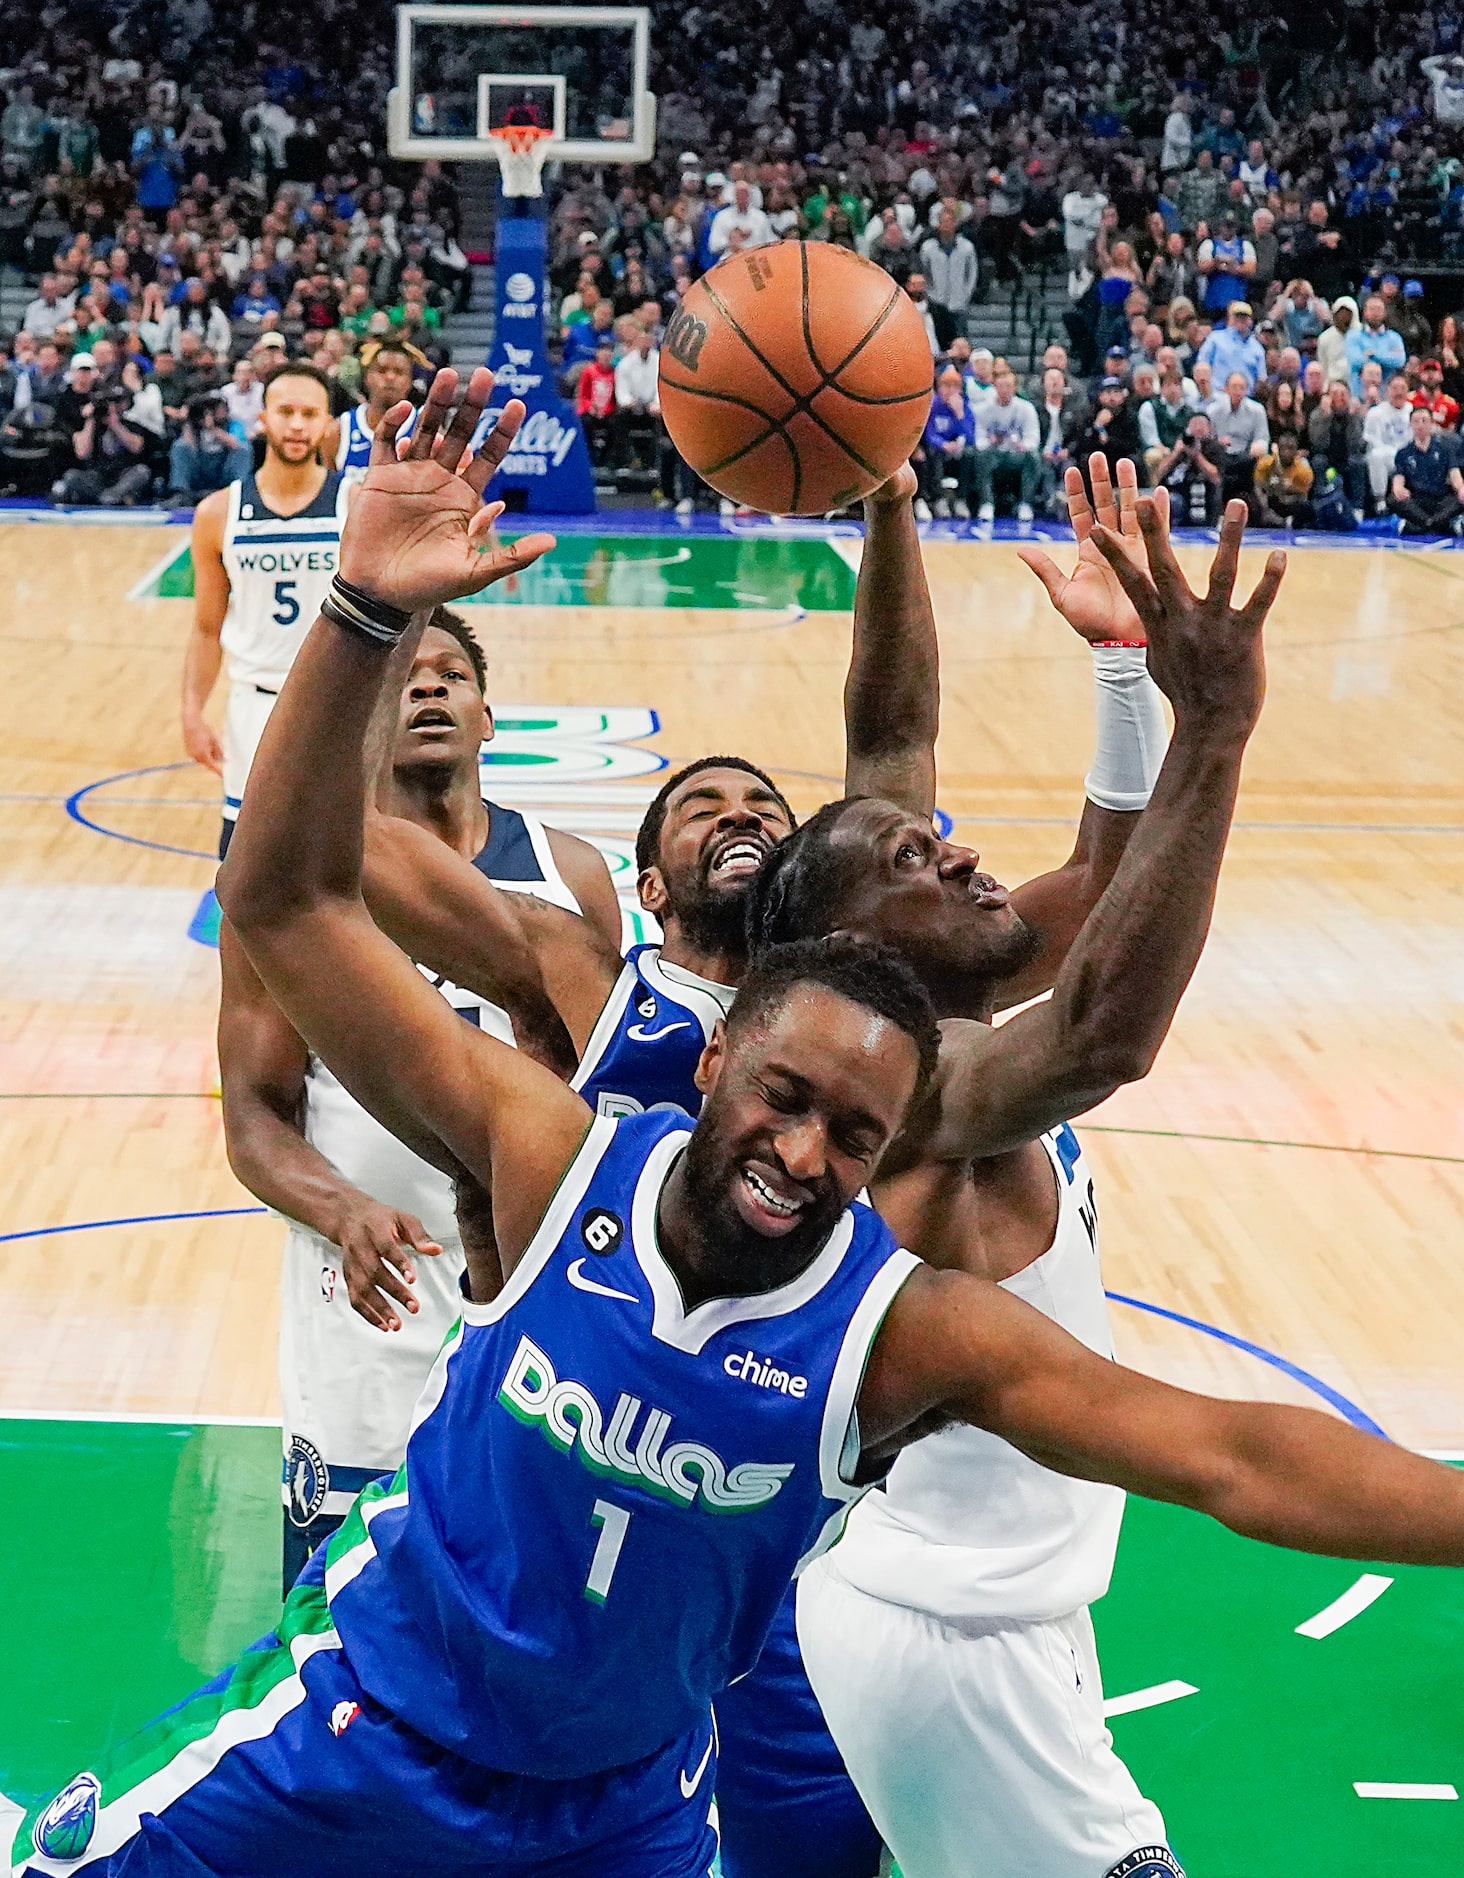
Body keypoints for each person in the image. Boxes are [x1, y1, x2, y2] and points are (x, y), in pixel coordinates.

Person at [33, 374, 1464, 1878]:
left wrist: (1124, 675)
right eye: (784, 1101)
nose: (806, 1150)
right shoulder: (569, 1104)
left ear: (894, 1144)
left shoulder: (896, 1266)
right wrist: (365, 621)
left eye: (854, 1135)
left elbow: (1229, 1450)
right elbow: (296, 892)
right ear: (715, 1059)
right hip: (371, 1725)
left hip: (643, 1777)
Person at [221, 605, 617, 1589]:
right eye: (404, 676)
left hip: (536, 1328)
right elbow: (252, 1119)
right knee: (340, 1650)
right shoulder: (296, 890)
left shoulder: (572, 877)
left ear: (489, 717)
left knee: (526, 1634)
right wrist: (341, 1207)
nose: (431, 687)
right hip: (369, 1324)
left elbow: (606, 1095)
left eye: (453, 674)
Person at [180, 360, 349, 857]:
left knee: (343, 866)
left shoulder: (355, 505)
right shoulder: (217, 514)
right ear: (263, 418)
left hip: (340, 707)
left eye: (310, 413)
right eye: (286, 411)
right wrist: (192, 711)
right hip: (254, 707)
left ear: (327, 424)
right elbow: (207, 627)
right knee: (243, 867)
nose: (297, 425)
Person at [330, 339, 419, 476]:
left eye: (399, 372)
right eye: (382, 371)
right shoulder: (338, 430)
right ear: (367, 377)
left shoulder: (423, 428)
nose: (390, 377)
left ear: (410, 381)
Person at [973, 364, 1040, 521]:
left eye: (1008, 386)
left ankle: (1025, 504)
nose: (1004, 390)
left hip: (1016, 456)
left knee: (1034, 457)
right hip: (994, 455)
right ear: (994, 387)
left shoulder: (1026, 408)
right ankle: (987, 503)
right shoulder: (983, 409)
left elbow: (1033, 438)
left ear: (1015, 387)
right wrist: (991, 442)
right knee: (980, 455)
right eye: (1000, 386)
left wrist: (1023, 445)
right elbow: (979, 439)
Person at [1389, 402, 1464, 536]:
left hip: (1440, 499)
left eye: (1424, 421)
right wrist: (1399, 489)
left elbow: (1455, 474)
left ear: (1431, 424)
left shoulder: (1445, 448)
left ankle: (1422, 525)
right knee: (1393, 500)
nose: (1420, 425)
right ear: (1411, 424)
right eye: (1416, 421)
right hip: (1417, 500)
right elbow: (1398, 479)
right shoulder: (1403, 453)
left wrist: (1461, 488)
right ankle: (1437, 524)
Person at [169, 389, 252, 502]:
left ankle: (242, 493)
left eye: (217, 406)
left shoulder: (233, 424)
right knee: (180, 447)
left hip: (222, 470)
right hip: (201, 469)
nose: (214, 411)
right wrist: (190, 422)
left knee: (244, 448)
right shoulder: (194, 426)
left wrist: (212, 428)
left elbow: (236, 444)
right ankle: (181, 493)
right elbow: (189, 446)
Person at [916, 362, 975, 518]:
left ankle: (961, 499)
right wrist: (943, 444)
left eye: (954, 387)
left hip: (957, 448)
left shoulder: (964, 407)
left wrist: (960, 414)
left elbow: (970, 436)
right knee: (932, 453)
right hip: (939, 447)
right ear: (939, 387)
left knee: (969, 453)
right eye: (946, 386)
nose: (950, 391)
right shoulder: (933, 405)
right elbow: (929, 433)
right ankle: (939, 498)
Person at [918, 207, 978, 351]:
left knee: (960, 342)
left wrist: (965, 294)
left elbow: (972, 273)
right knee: (940, 343)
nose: (946, 225)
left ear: (955, 223)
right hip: (937, 302)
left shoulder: (967, 247)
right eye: (943, 221)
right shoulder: (928, 248)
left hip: (958, 302)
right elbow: (924, 272)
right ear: (938, 224)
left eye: (949, 221)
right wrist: (931, 292)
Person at [1152, 406, 1224, 525]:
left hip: (1203, 496)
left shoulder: (1215, 448)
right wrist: (1176, 453)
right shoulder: (1181, 447)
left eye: (1201, 424)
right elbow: (1160, 473)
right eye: (1194, 424)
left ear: (1209, 428)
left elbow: (1215, 477)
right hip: (1177, 493)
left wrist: (1197, 455)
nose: (1198, 428)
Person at [1207, 370, 1271, 504]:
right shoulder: (1213, 410)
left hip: (1246, 454)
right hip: (1222, 454)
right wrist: (1218, 442)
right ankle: (1218, 511)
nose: (1238, 391)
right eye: (1234, 387)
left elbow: (1263, 438)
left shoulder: (1257, 410)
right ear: (1226, 389)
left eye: (1242, 387)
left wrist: (1257, 446)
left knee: (1248, 463)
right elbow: (1207, 439)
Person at [1307, 378, 1367, 514]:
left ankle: (1358, 508)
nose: (1339, 398)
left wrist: (1352, 417)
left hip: (1347, 458)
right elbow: (1318, 445)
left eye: (1343, 394)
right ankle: (1320, 505)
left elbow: (1356, 445)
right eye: (1334, 393)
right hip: (1328, 459)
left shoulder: (1356, 415)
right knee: (1318, 462)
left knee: (1358, 462)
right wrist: (1326, 418)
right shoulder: (1318, 415)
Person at [1363, 374, 1415, 513]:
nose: (1399, 392)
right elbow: (1372, 441)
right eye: (1395, 388)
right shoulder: (1375, 413)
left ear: (1408, 391)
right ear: (1387, 391)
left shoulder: (1413, 410)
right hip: (1386, 454)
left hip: (1410, 456)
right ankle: (1380, 501)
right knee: (1376, 456)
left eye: (1402, 388)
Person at [1196, 300, 1266, 393]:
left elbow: (1261, 378)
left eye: (1245, 317)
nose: (1241, 320)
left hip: (1245, 398)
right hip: (1217, 395)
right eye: (1237, 316)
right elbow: (1202, 365)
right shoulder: (1215, 338)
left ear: (1251, 321)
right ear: (1230, 318)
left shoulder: (1257, 347)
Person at [1251, 431, 1314, 528]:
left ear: (1296, 450)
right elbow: (1258, 488)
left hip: (1289, 502)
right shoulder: (1265, 464)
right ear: (1278, 448)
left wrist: (1287, 488)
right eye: (1283, 448)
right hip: (1269, 502)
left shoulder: (1304, 470)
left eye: (1290, 448)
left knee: (1306, 507)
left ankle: (1292, 524)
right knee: (1253, 503)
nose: (1286, 452)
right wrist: (1266, 510)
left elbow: (1303, 496)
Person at [1347, 296, 1407, 397]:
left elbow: (1399, 361)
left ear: (1384, 313)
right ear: (1365, 312)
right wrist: (1387, 357)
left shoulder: (1394, 337)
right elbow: (1355, 360)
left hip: (1386, 395)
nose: (1375, 313)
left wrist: (1374, 355)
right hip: (1359, 395)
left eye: (1379, 309)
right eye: (1372, 309)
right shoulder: (1353, 336)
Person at [1411, 355, 1460, 432]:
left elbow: (1451, 434)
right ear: (1420, 375)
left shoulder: (1451, 404)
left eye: (1434, 371)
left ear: (1441, 376)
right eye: (1426, 371)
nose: (1430, 374)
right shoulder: (1409, 400)